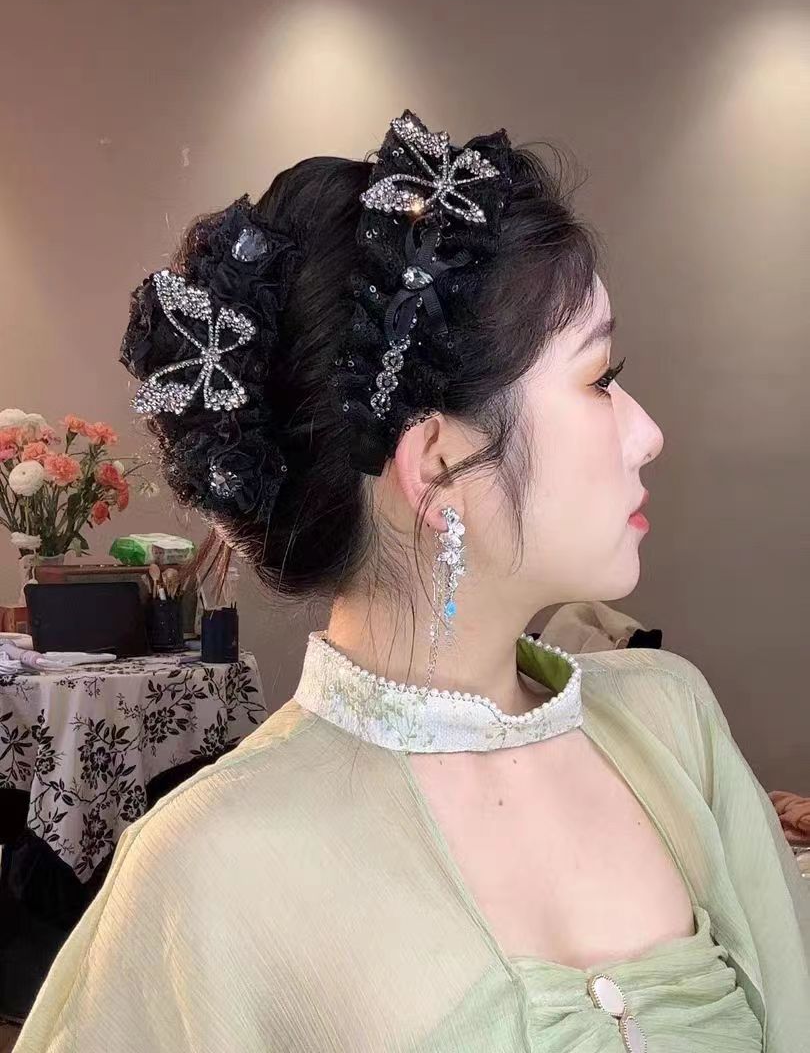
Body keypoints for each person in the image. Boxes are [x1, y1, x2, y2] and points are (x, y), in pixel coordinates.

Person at [13, 109, 809, 1052]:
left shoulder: (673, 723)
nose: (648, 433)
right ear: (436, 466)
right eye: (600, 379)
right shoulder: (209, 870)